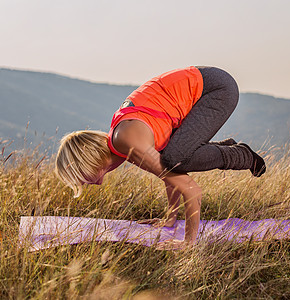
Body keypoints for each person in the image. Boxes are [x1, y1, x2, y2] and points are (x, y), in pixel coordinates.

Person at [55, 66, 266, 250]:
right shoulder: (122, 143)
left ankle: (241, 155)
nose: (83, 182)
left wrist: (188, 243)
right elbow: (170, 174)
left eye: (79, 175)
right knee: (173, 158)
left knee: (176, 158)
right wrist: (170, 219)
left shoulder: (128, 141)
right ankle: (223, 150)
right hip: (207, 84)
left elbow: (191, 189)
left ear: (88, 162)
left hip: (216, 89)